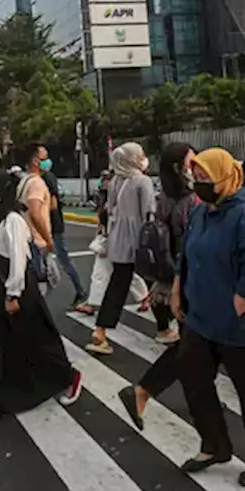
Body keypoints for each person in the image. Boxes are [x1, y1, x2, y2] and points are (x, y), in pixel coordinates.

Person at [173, 149, 245, 487]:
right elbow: (186, 251)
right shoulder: (203, 211)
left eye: (206, 177)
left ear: (226, 175)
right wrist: (178, 287)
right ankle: (215, 444)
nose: (199, 183)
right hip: (201, 316)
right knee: (193, 377)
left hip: (242, 323)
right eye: (197, 177)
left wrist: (239, 304)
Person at [0, 170, 83, 422]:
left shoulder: (13, 220)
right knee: (0, 344)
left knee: (36, 338)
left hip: (16, 293)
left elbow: (18, 260)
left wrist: (13, 294)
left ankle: (69, 377)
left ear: (2, 189)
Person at [118, 143, 197, 430]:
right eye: (192, 162)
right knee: (195, 346)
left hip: (173, 281)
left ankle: (198, 399)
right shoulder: (192, 203)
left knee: (195, 347)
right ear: (179, 168)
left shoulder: (164, 199)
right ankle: (142, 391)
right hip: (191, 282)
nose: (197, 166)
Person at [88, 142, 155, 355]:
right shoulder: (142, 182)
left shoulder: (116, 180)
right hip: (139, 240)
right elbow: (149, 213)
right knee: (160, 278)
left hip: (118, 239)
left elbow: (109, 209)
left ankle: (100, 331)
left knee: (118, 284)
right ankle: (166, 327)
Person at [76, 169, 149, 316]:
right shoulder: (109, 200)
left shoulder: (121, 202)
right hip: (111, 241)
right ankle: (144, 296)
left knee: (102, 273)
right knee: (123, 272)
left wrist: (108, 242)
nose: (105, 184)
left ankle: (92, 303)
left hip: (113, 242)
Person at [42, 151, 88, 306]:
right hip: (48, 226)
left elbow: (53, 204)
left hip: (53, 226)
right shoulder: (42, 178)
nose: (47, 160)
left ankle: (81, 292)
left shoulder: (48, 178)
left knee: (62, 260)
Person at [15, 144, 56, 284]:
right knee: (40, 287)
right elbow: (35, 213)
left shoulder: (24, 181)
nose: (48, 161)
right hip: (36, 242)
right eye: (45, 157)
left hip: (26, 239)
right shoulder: (37, 184)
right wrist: (48, 240)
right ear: (35, 161)